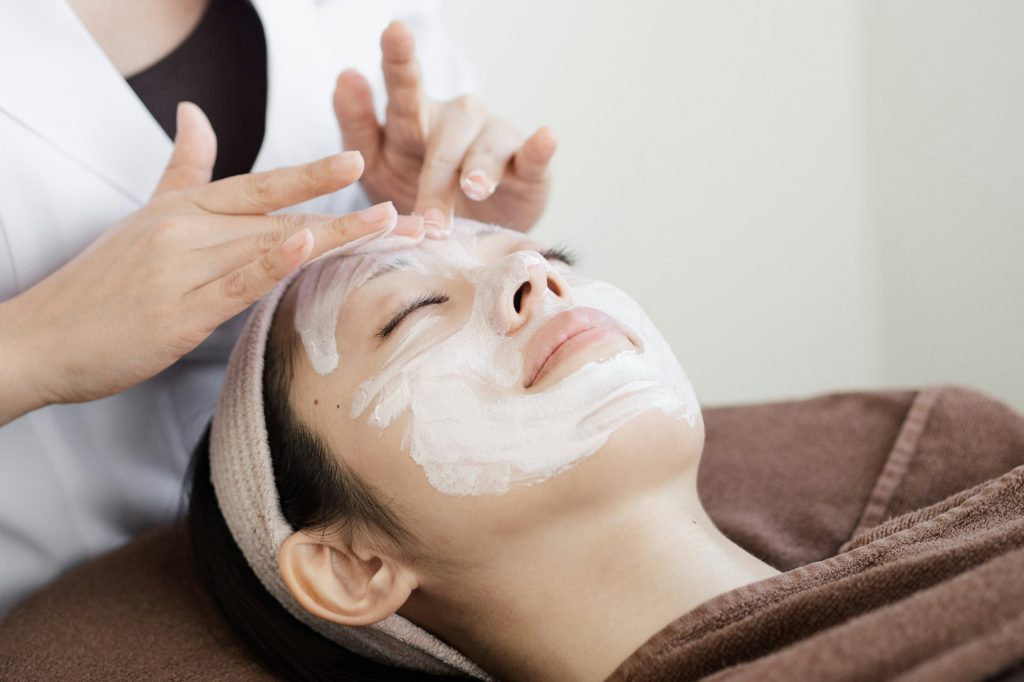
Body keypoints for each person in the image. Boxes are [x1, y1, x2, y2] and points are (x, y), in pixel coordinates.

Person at [189, 219, 1024, 681]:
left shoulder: (977, 500)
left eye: (553, 255)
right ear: (351, 566)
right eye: (411, 309)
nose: (535, 272)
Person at [0, 0, 555, 618]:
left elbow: (449, 206)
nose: (540, 281)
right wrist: (33, 345)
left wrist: (453, 230)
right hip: (53, 598)